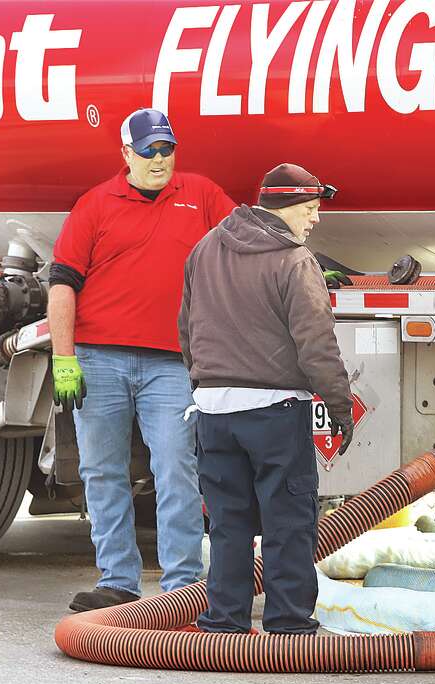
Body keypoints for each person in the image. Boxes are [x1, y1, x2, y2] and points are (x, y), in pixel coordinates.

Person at [49, 108, 235, 612]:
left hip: (171, 363)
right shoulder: (95, 204)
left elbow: (245, 240)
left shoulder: (201, 195)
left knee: (176, 468)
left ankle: (183, 588)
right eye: (148, 150)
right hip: (98, 360)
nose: (159, 159)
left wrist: (296, 260)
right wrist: (63, 359)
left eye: (166, 149)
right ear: (126, 153)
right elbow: (63, 284)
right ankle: (117, 580)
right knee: (101, 470)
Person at [179, 163, 352, 634]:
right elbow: (317, 344)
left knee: (228, 523)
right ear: (287, 206)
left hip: (214, 412)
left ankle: (224, 622)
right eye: (310, 209)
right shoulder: (294, 260)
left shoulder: (205, 248)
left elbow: (186, 328)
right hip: (275, 411)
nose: (315, 219)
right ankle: (288, 623)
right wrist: (339, 406)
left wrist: (205, 385)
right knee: (287, 521)